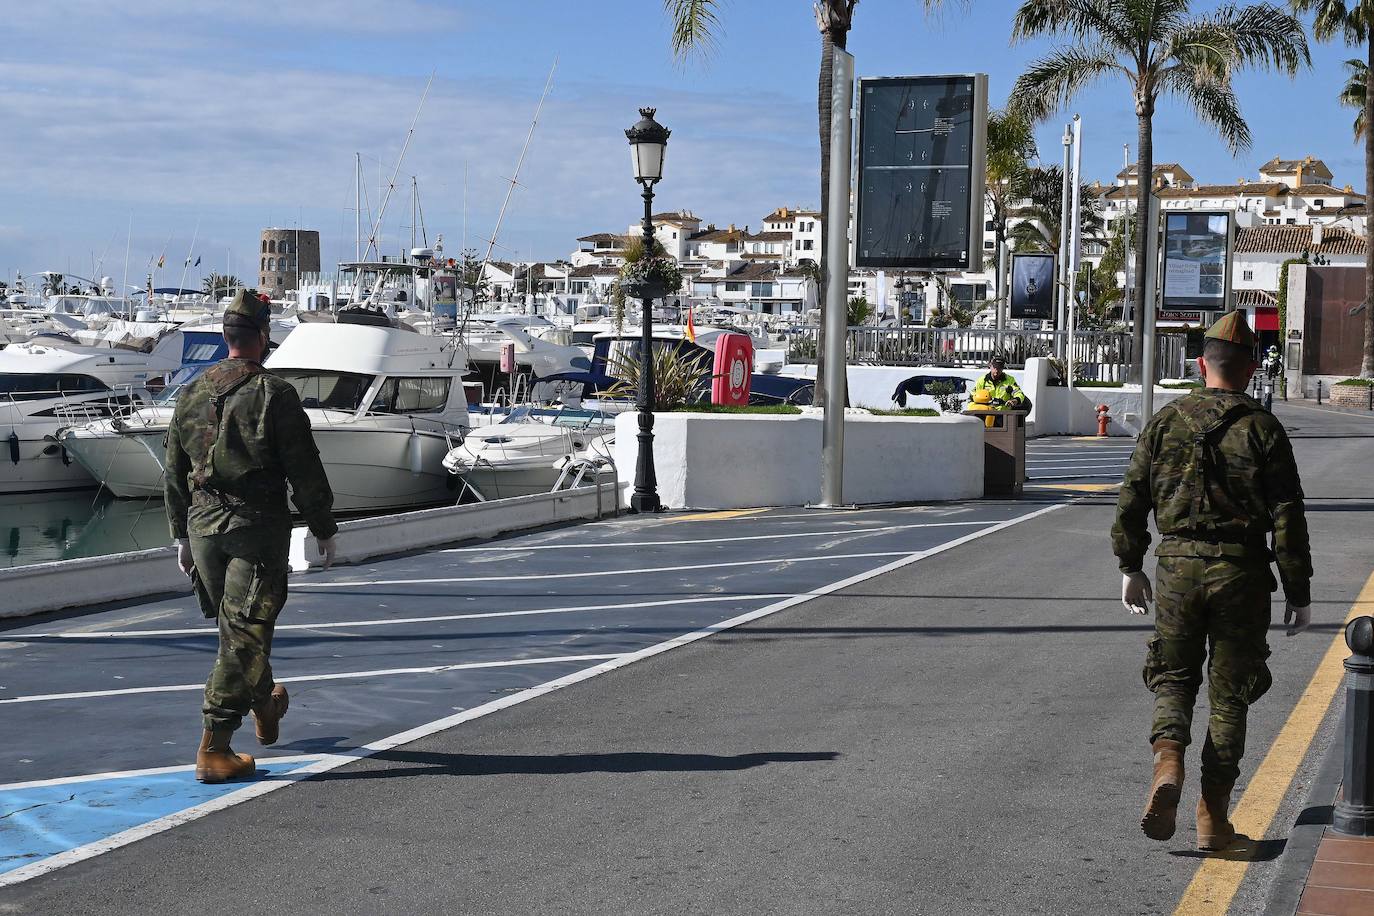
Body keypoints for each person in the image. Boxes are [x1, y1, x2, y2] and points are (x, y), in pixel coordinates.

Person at [1112, 310, 1312, 851]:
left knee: (1174, 679)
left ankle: (1167, 763)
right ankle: (1212, 818)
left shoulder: (1165, 421)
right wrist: (1298, 591)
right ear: (1250, 369)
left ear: (1201, 366)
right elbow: (1287, 516)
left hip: (1176, 568)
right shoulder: (1263, 427)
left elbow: (1131, 499)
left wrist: (1130, 566)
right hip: (1241, 573)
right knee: (1230, 698)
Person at [165, 290, 339, 783]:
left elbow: (174, 470)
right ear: (263, 337)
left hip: (203, 531)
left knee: (240, 632)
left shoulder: (191, 392)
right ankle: (214, 748)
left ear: (227, 337)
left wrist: (181, 536)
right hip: (255, 530)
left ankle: (266, 704)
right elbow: (303, 466)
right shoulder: (274, 394)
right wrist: (323, 527)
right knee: (242, 637)